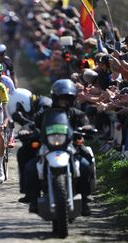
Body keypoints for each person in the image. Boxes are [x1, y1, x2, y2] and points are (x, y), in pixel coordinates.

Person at [24, 79, 94, 216]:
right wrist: (26, 129)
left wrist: (87, 126)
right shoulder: (45, 112)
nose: (64, 101)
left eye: (67, 98)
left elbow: (85, 121)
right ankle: (33, 199)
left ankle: (85, 200)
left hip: (71, 146)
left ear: (72, 99)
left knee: (86, 163)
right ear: (55, 98)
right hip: (48, 147)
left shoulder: (75, 113)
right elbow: (33, 123)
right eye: (61, 98)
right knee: (31, 167)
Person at [8, 88, 52, 200]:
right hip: (42, 140)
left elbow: (39, 122)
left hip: (55, 139)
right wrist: (24, 131)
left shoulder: (44, 103)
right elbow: (30, 126)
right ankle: (30, 192)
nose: (21, 112)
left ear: (22, 102)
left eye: (20, 109)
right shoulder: (31, 107)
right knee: (23, 152)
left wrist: (24, 121)